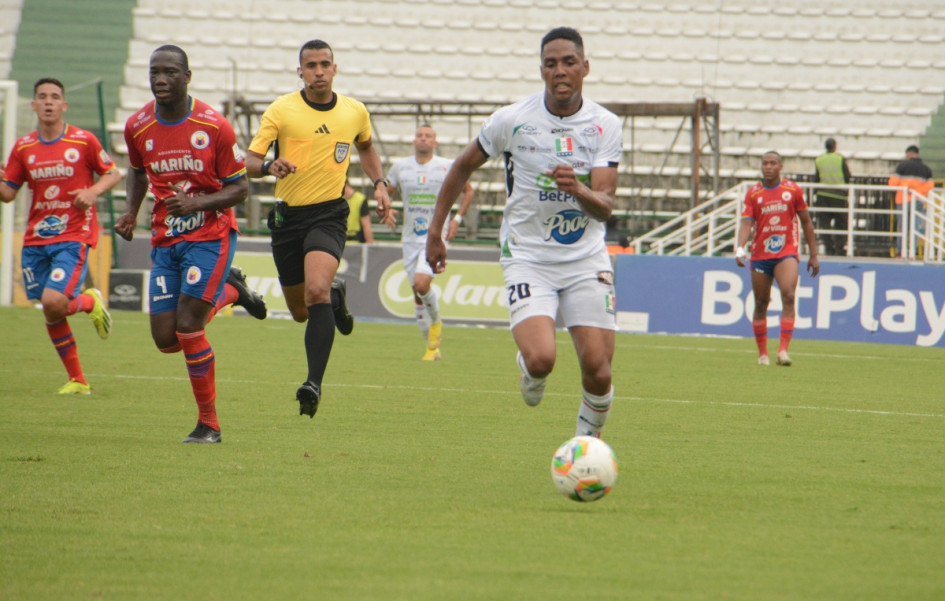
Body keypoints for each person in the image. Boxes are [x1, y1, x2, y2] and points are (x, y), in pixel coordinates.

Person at [425, 27, 621, 439]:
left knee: (599, 372)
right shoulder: (512, 119)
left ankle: (585, 450)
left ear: (585, 68)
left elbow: (605, 205)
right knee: (541, 359)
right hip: (528, 257)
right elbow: (461, 166)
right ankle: (528, 370)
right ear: (541, 70)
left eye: (569, 62)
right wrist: (435, 231)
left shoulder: (605, 125)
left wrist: (579, 189)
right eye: (551, 64)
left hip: (585, 259)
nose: (560, 71)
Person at [114, 45, 268, 444]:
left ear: (187, 76)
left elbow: (241, 189)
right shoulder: (138, 126)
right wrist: (131, 211)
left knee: (188, 326)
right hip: (167, 238)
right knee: (165, 340)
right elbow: (135, 171)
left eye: (169, 72)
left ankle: (209, 425)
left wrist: (196, 202)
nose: (160, 79)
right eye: (154, 72)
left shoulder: (214, 126)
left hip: (210, 235)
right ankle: (232, 289)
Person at [244, 39, 393, 419]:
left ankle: (313, 383)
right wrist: (268, 167)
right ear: (300, 71)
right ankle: (336, 297)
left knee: (315, 291)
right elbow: (250, 160)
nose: (319, 71)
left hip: (329, 214)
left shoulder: (355, 111)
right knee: (299, 310)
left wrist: (379, 185)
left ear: (335, 68)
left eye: (325, 64)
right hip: (288, 218)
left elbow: (367, 148)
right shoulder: (282, 110)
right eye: (311, 65)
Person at [0, 77, 121, 394]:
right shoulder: (24, 147)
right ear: (34, 105)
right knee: (51, 309)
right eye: (42, 96)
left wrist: (93, 191)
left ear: (64, 105)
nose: (49, 101)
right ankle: (78, 379)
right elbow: (8, 193)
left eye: (55, 97)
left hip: (73, 234)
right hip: (36, 240)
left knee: (54, 301)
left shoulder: (83, 141)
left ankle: (87, 301)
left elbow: (113, 172)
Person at [387, 124, 474, 361]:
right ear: (414, 141)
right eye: (419, 136)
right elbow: (386, 191)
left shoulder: (446, 166)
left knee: (421, 283)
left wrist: (457, 218)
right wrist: (386, 207)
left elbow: (468, 191)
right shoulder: (400, 167)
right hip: (409, 238)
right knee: (417, 293)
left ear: (435, 143)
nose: (423, 139)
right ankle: (431, 348)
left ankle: (436, 322)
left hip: (435, 237)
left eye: (428, 136)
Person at [735, 151, 820, 367]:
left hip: (786, 252)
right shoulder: (753, 193)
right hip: (760, 255)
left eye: (773, 163)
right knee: (761, 302)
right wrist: (739, 248)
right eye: (765, 163)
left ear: (780, 167)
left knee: (789, 295)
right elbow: (746, 223)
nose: (768, 167)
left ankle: (783, 351)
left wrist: (813, 254)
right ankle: (763, 354)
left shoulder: (792, 191)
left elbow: (807, 223)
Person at [888, 144, 934, 257]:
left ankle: (900, 252)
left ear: (909, 154)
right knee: (915, 227)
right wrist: (917, 192)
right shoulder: (926, 169)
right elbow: (930, 185)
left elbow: (892, 183)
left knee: (902, 227)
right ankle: (912, 252)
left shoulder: (902, 166)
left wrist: (906, 189)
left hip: (902, 200)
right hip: (918, 200)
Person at [813, 137, 851, 256]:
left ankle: (829, 249)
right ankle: (839, 249)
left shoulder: (819, 160)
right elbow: (848, 176)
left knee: (824, 224)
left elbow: (816, 178)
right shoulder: (840, 158)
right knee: (841, 224)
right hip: (839, 195)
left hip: (823, 195)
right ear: (835, 146)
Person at [344, 179, 374, 243]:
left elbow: (366, 225)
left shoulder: (360, 199)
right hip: (340, 243)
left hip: (357, 243)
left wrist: (370, 244)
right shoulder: (339, 199)